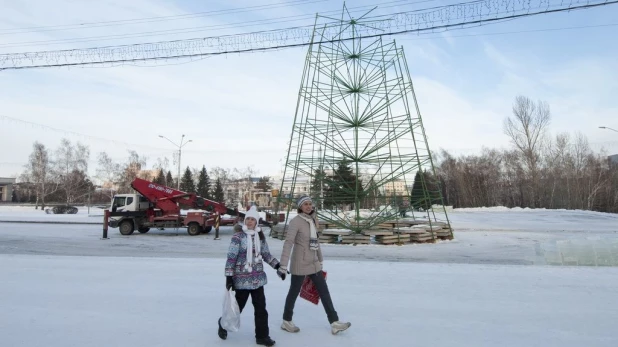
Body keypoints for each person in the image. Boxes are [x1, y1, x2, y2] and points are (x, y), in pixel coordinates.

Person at [277, 195, 351, 335]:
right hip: (300, 262)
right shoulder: (296, 222)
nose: (309, 206)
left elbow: (315, 242)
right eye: (305, 204)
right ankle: (286, 321)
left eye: (310, 203)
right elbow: (288, 243)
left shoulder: (313, 220)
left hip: (314, 262)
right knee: (294, 292)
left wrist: (320, 259)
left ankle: (334, 322)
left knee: (324, 291)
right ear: (300, 207)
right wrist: (283, 265)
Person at [218, 206, 285, 346]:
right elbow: (231, 258)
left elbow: (266, 255)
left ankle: (262, 336)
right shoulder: (238, 237)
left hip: (258, 280)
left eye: (252, 219)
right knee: (237, 308)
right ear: (244, 220)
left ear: (257, 221)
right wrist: (229, 277)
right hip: (241, 280)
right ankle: (223, 324)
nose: (249, 221)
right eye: (247, 218)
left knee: (261, 308)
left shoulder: (260, 236)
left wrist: (278, 267)